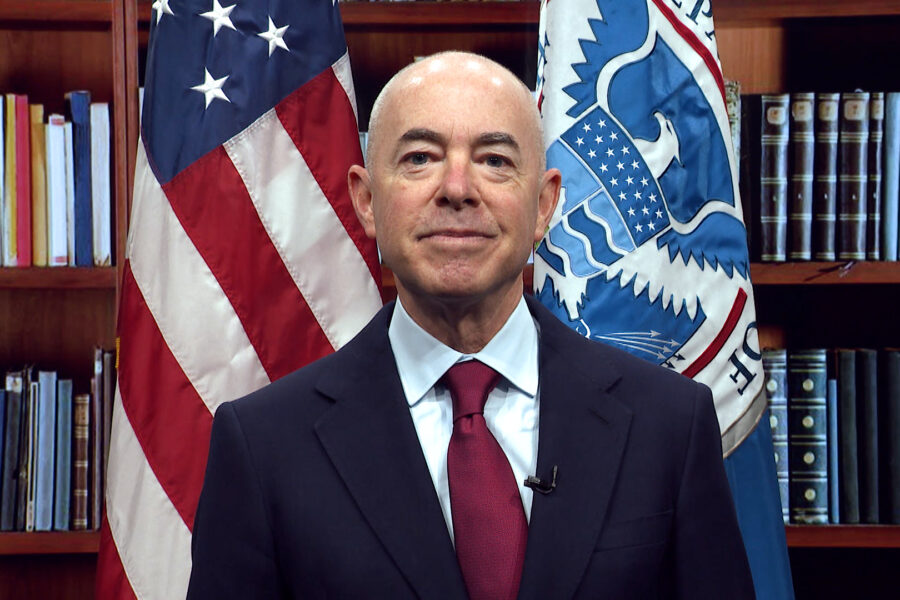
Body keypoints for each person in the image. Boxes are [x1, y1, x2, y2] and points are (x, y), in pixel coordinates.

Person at [187, 51, 755, 599]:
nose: (457, 189)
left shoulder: (670, 426)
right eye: (420, 159)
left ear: (543, 205)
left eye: (495, 161)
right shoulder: (263, 447)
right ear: (365, 201)